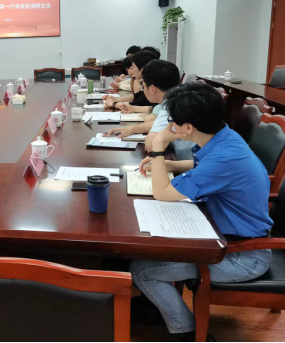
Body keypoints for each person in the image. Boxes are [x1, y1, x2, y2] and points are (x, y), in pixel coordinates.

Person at [131, 84, 273, 340]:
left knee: (142, 269)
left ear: (187, 127)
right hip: (222, 237)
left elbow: (162, 192)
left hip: (242, 256)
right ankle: (154, 307)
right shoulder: (225, 137)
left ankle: (190, 332)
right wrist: (169, 164)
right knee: (152, 251)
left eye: (172, 121)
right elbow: (204, 167)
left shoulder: (225, 159)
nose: (170, 125)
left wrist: (160, 146)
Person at [104, 60, 181, 152]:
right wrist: (131, 129)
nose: (143, 90)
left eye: (143, 87)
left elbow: (151, 147)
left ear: (152, 89)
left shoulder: (169, 107)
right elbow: (160, 123)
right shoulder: (176, 98)